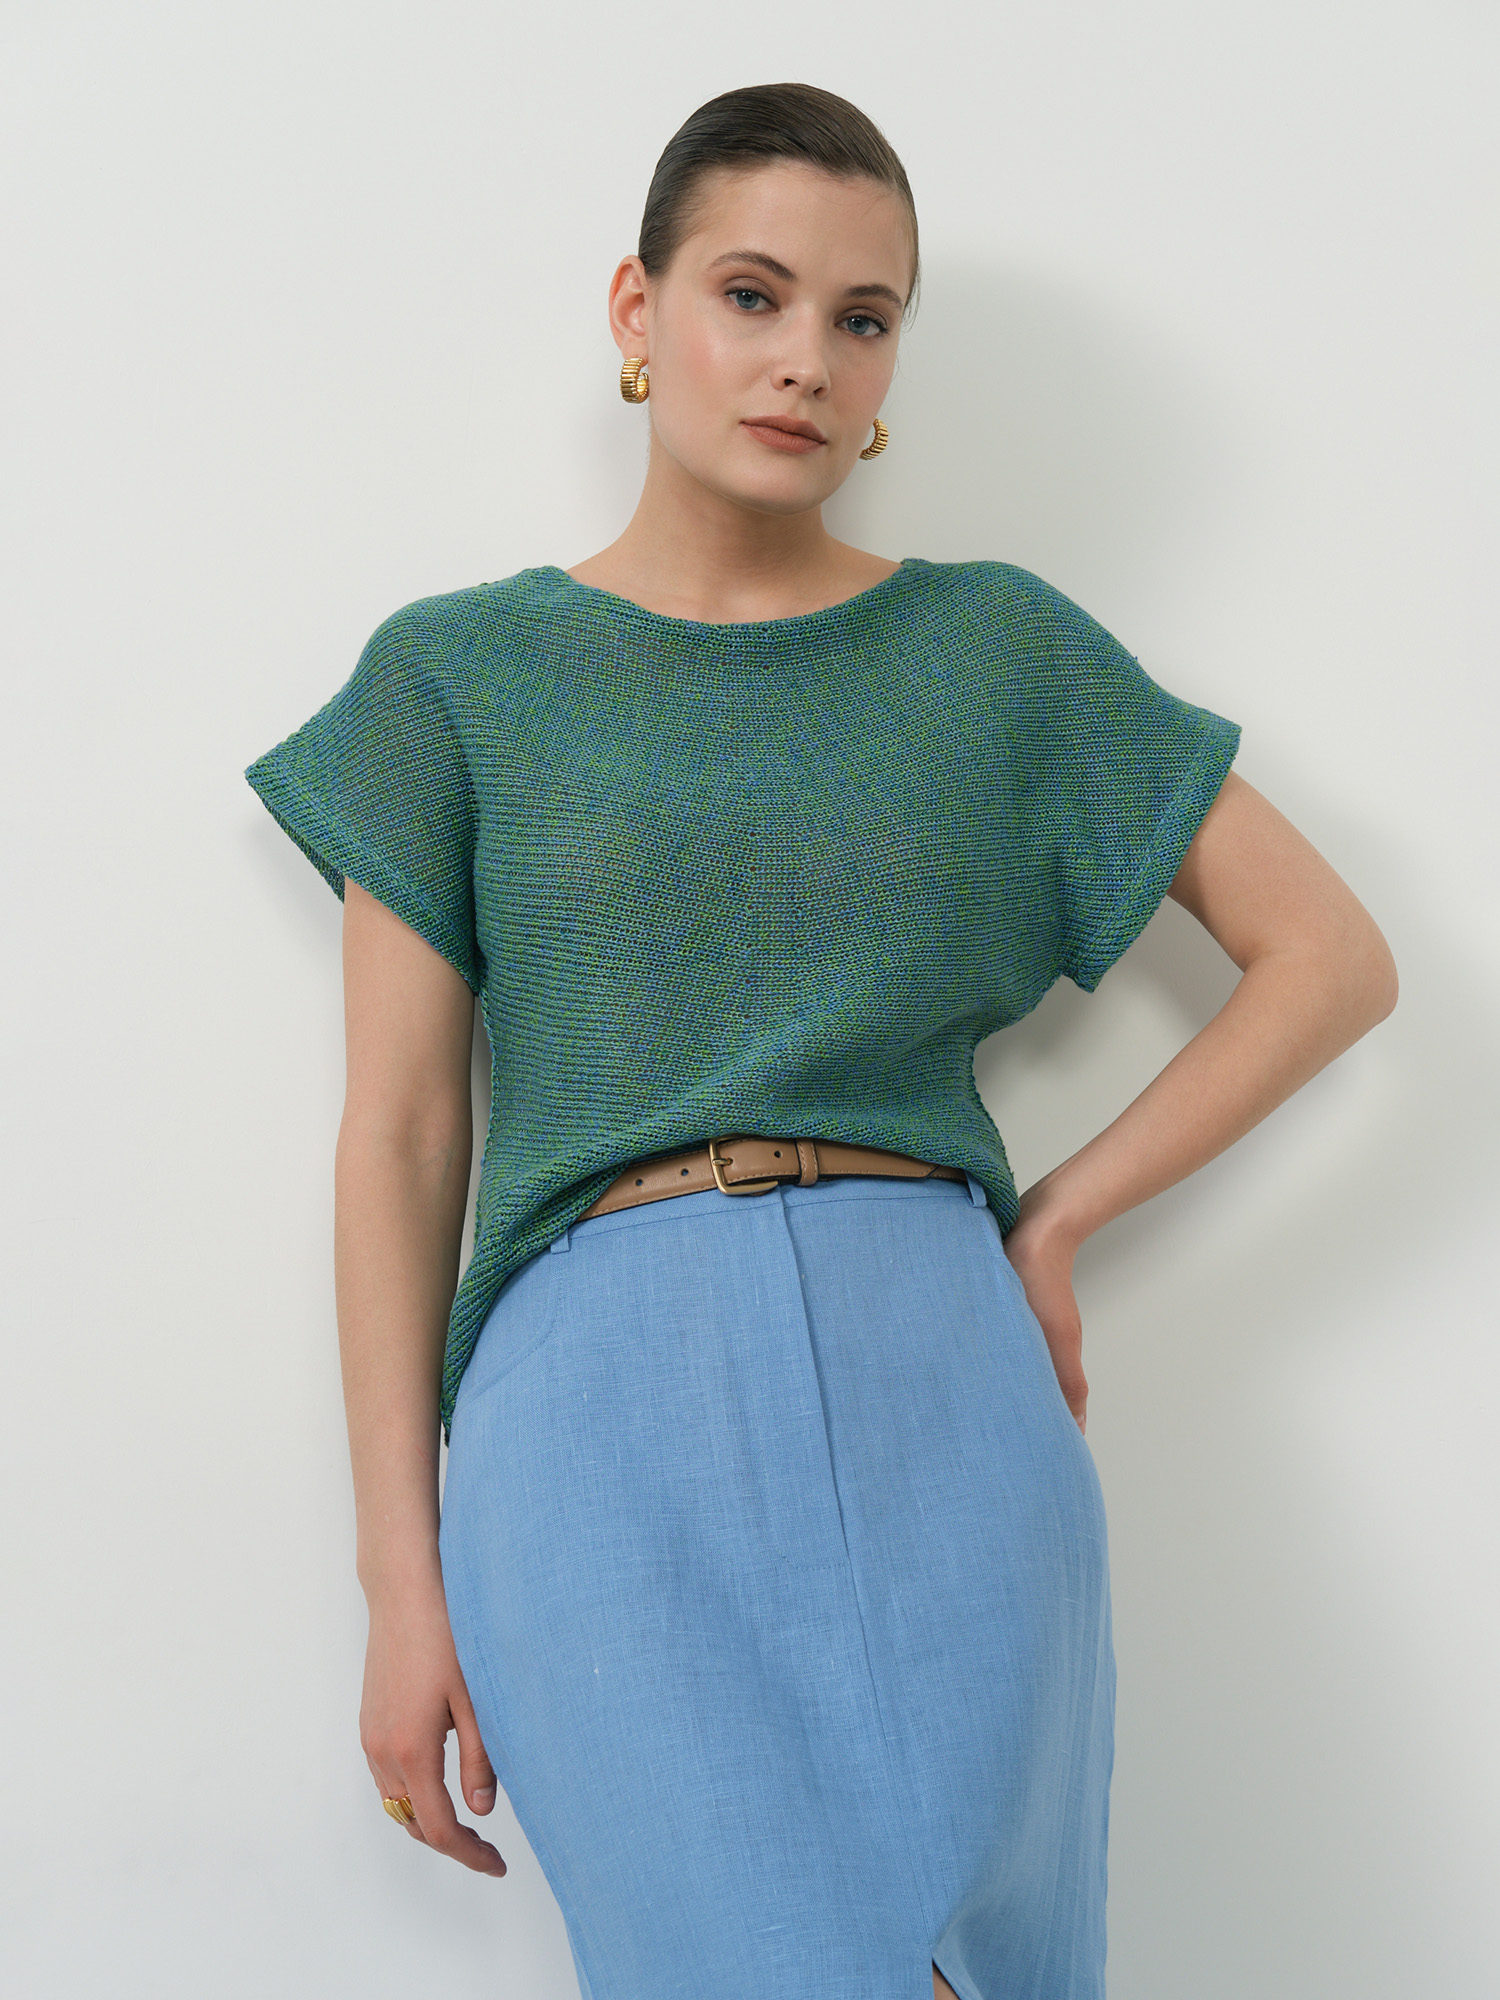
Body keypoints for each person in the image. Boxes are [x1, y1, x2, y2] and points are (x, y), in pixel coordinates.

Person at [245, 81, 1397, 2000]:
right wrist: (398, 1578)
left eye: (863, 318)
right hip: (590, 1414)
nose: (806, 361)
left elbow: (1331, 959)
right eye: (752, 294)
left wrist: (1059, 1218)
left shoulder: (1000, 654)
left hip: (939, 1368)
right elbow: (403, 1136)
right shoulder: (456, 676)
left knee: (982, 1967)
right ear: (638, 309)